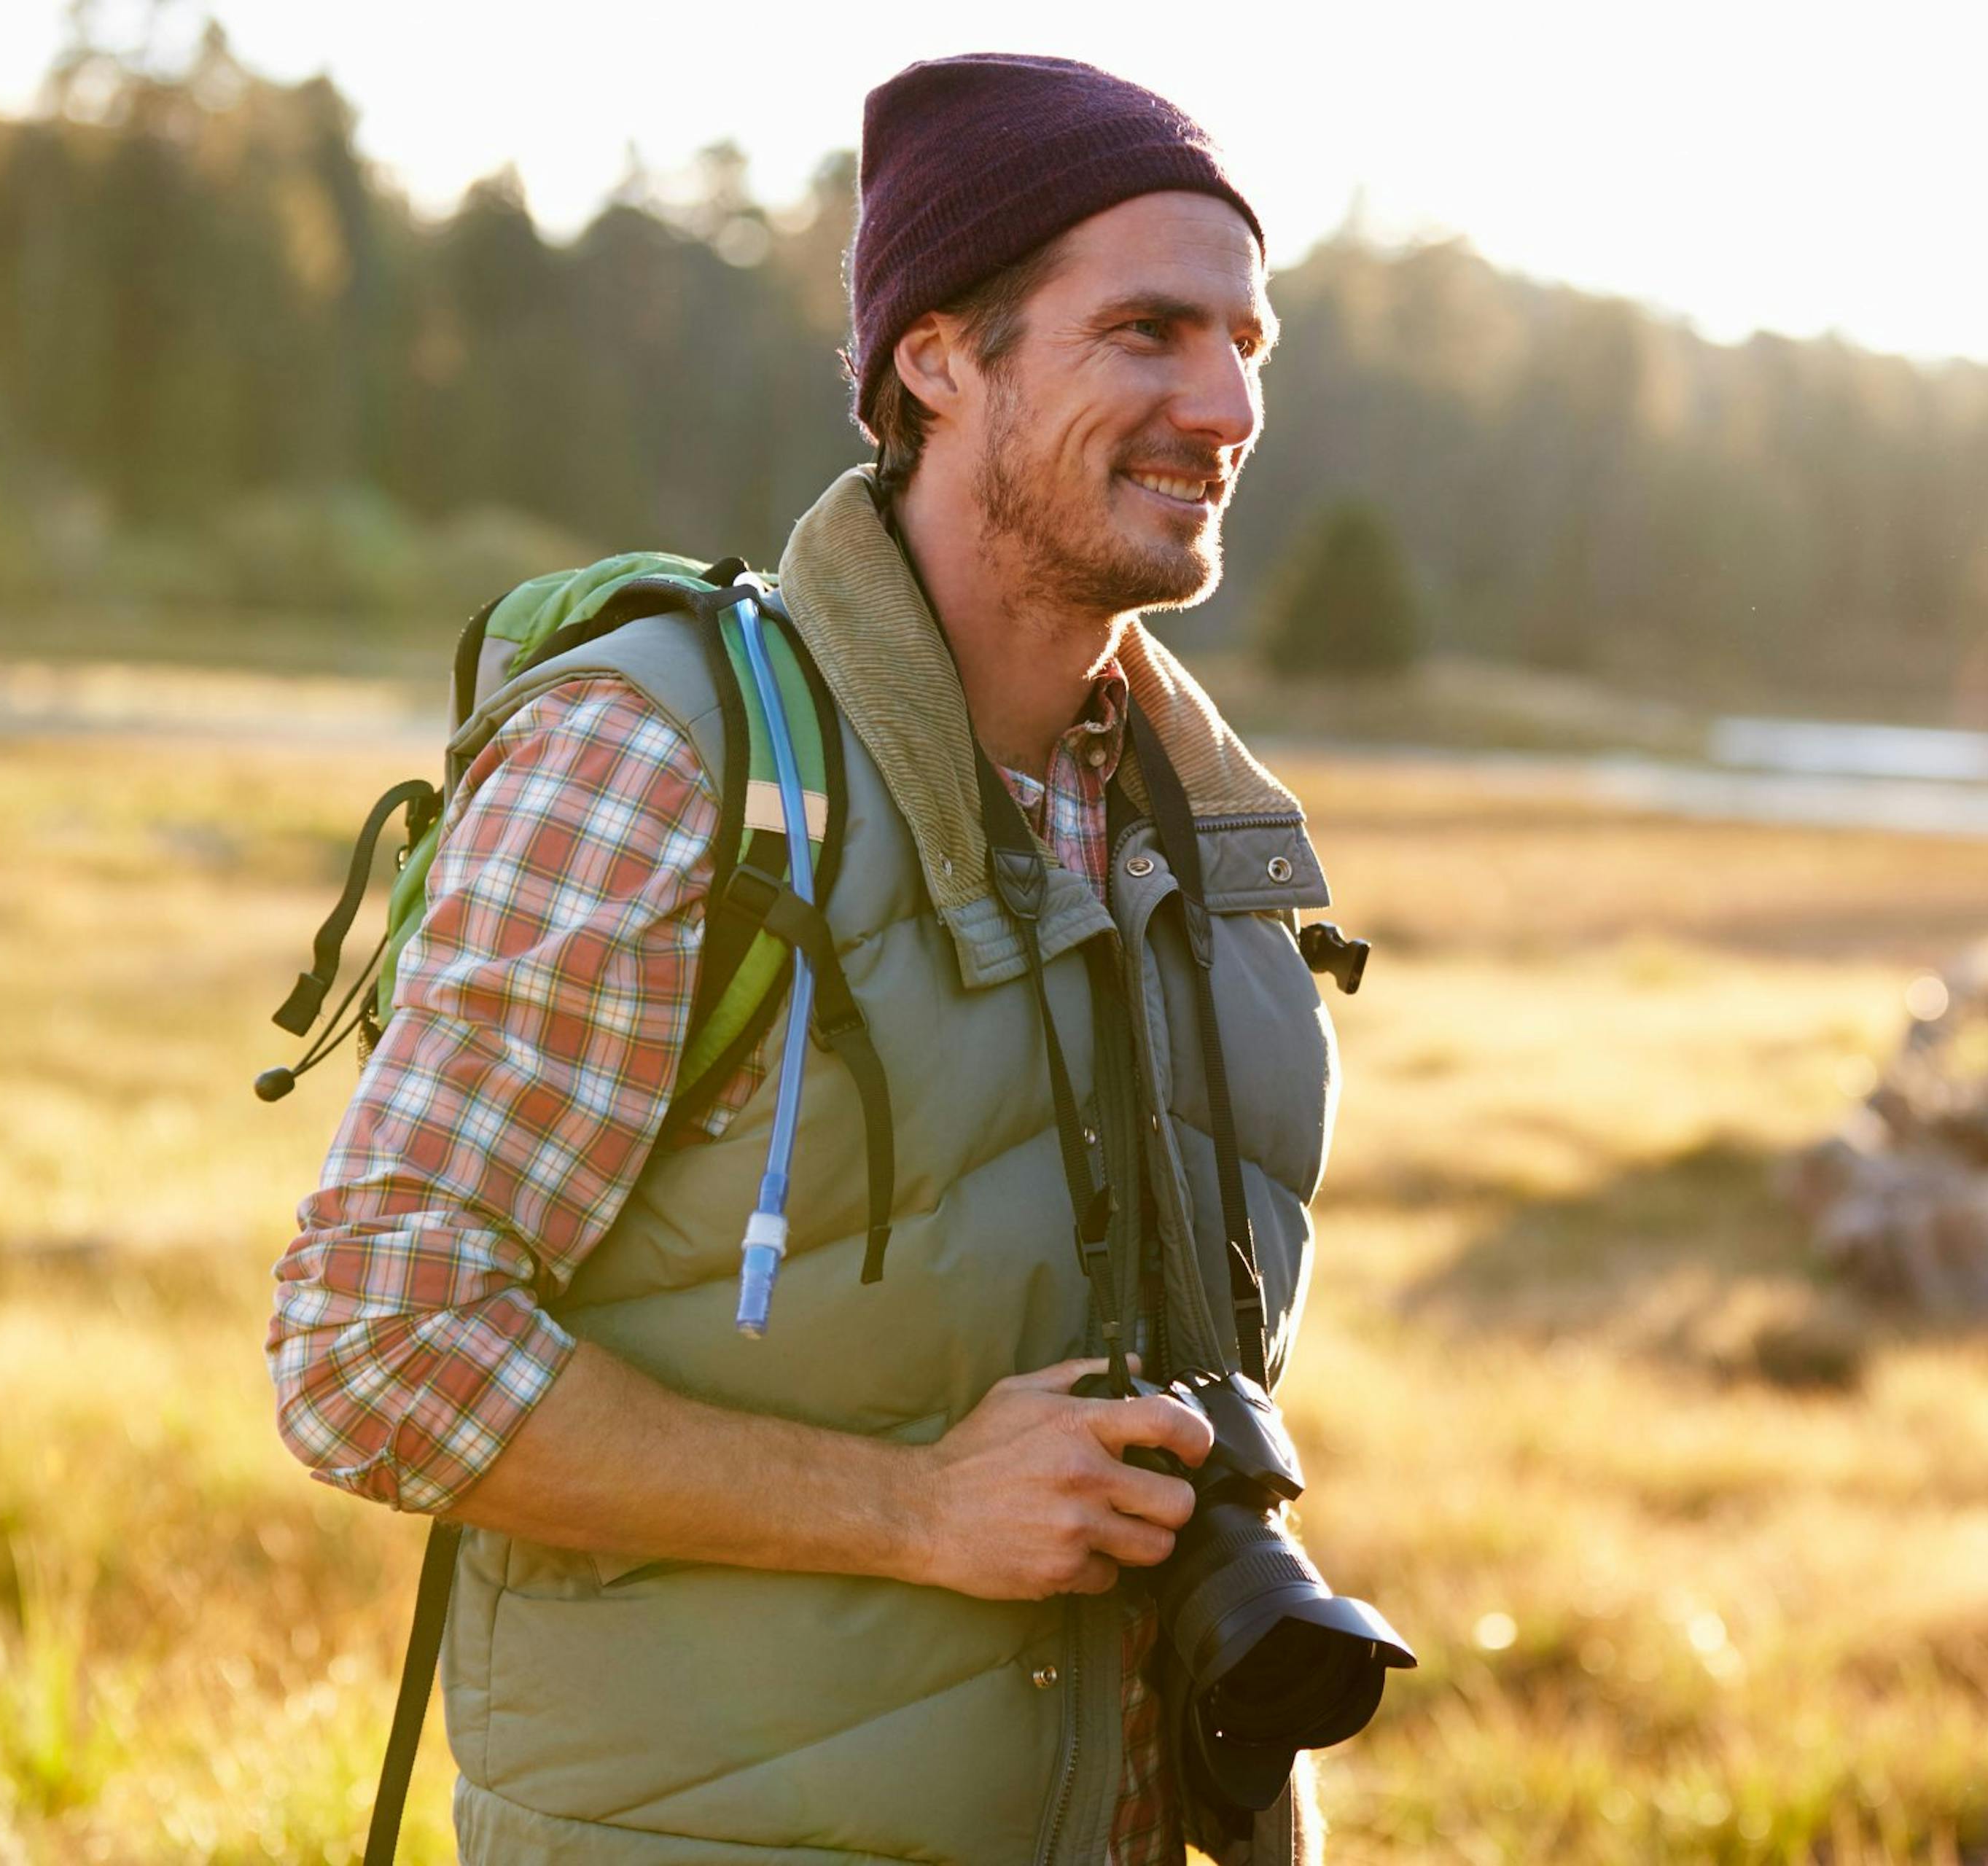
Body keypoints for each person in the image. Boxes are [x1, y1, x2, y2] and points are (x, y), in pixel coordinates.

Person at [268, 53, 1345, 1865]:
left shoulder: (1217, 842)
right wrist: (918, 1507)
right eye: (1149, 330)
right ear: (938, 358)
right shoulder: (667, 757)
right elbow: (373, 1345)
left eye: (1252, 341)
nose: (1224, 401)